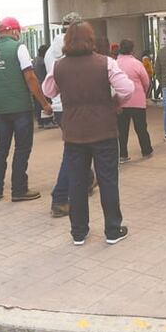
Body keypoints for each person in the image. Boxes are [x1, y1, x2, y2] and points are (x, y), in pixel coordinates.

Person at [41, 22, 134, 245]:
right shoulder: (106, 63)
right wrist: (116, 102)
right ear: (91, 39)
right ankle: (112, 230)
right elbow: (128, 89)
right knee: (108, 181)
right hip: (104, 131)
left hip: (74, 134)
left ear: (67, 41)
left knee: (77, 182)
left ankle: (78, 232)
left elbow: (48, 91)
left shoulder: (58, 66)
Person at [0, 17, 54, 203]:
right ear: (14, 31)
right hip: (20, 107)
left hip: (0, 108)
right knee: (22, 148)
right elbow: (30, 77)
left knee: (1, 147)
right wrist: (44, 103)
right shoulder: (19, 47)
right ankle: (19, 189)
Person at [45, 13, 96, 218]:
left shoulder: (51, 51)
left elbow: (49, 86)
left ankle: (87, 180)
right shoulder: (76, 49)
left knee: (79, 148)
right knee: (72, 153)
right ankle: (60, 197)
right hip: (75, 106)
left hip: (59, 106)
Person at [115, 39, 153, 162]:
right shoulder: (137, 63)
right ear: (132, 49)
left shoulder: (114, 64)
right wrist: (143, 92)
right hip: (137, 100)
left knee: (122, 129)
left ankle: (123, 154)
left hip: (120, 101)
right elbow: (146, 81)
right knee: (141, 128)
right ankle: (146, 151)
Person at [33, 44, 53, 128]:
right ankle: (47, 121)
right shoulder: (43, 61)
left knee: (38, 104)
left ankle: (41, 122)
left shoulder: (35, 60)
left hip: (36, 86)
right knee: (45, 103)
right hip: (43, 85)